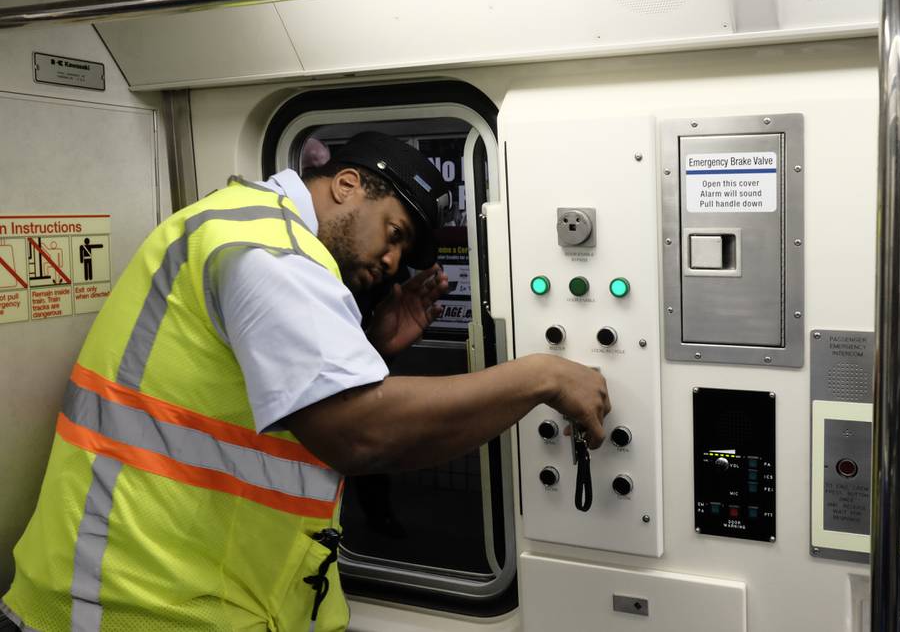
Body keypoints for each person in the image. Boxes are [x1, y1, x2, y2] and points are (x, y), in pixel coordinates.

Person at [0, 131, 610, 631]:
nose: (394, 263)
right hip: (136, 607)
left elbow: (245, 407)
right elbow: (360, 436)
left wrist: (371, 349)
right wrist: (540, 377)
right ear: (347, 186)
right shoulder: (266, 247)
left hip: (205, 598)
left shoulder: (246, 229)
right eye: (394, 233)